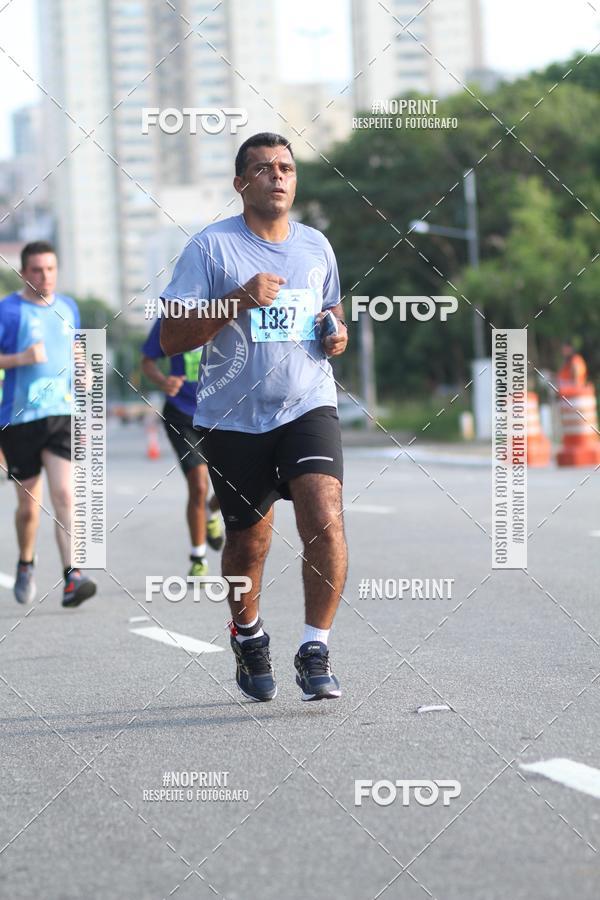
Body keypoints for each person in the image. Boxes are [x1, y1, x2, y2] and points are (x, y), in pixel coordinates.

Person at [161, 132, 348, 702]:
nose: (278, 175)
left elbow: (331, 312)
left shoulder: (316, 246)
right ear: (241, 183)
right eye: (264, 168)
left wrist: (336, 333)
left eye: (287, 167)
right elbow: (172, 334)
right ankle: (248, 634)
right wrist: (237, 299)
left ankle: (315, 648)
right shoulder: (210, 249)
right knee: (248, 542)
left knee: (324, 516)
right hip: (233, 417)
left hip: (308, 403)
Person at [0, 241, 97, 607]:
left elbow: (75, 348)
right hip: (19, 419)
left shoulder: (67, 307)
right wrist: (21, 357)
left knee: (65, 495)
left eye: (51, 269)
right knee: (28, 508)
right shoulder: (8, 311)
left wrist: (84, 371)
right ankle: (26, 563)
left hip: (61, 414)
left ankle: (73, 576)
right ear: (24, 273)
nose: (46, 276)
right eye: (38, 270)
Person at [141, 319, 224, 576]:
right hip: (181, 413)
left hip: (222, 411)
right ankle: (198, 557)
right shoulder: (170, 318)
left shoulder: (229, 308)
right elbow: (147, 361)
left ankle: (212, 511)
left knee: (233, 485)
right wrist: (163, 381)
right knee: (199, 485)